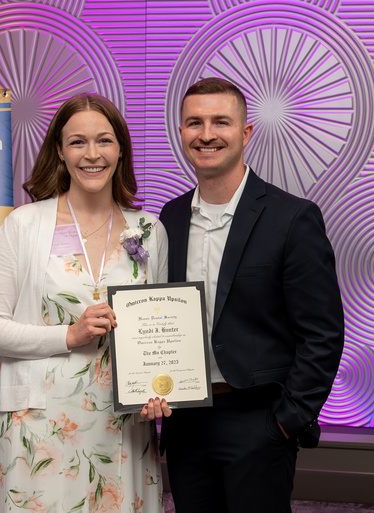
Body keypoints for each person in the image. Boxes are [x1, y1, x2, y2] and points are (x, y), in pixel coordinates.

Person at [0, 93, 169, 513]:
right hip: (40, 424)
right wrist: (69, 334)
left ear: (121, 149)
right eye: (77, 142)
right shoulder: (24, 225)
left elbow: (161, 327)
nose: (92, 154)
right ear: (59, 151)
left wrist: (160, 386)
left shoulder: (149, 229)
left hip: (121, 426)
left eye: (104, 141)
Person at [153, 77, 345, 513]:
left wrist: (286, 421)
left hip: (259, 420)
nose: (207, 134)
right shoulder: (171, 216)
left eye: (221, 121)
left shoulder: (293, 217)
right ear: (180, 132)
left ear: (246, 133)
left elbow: (324, 333)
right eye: (194, 123)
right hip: (186, 422)